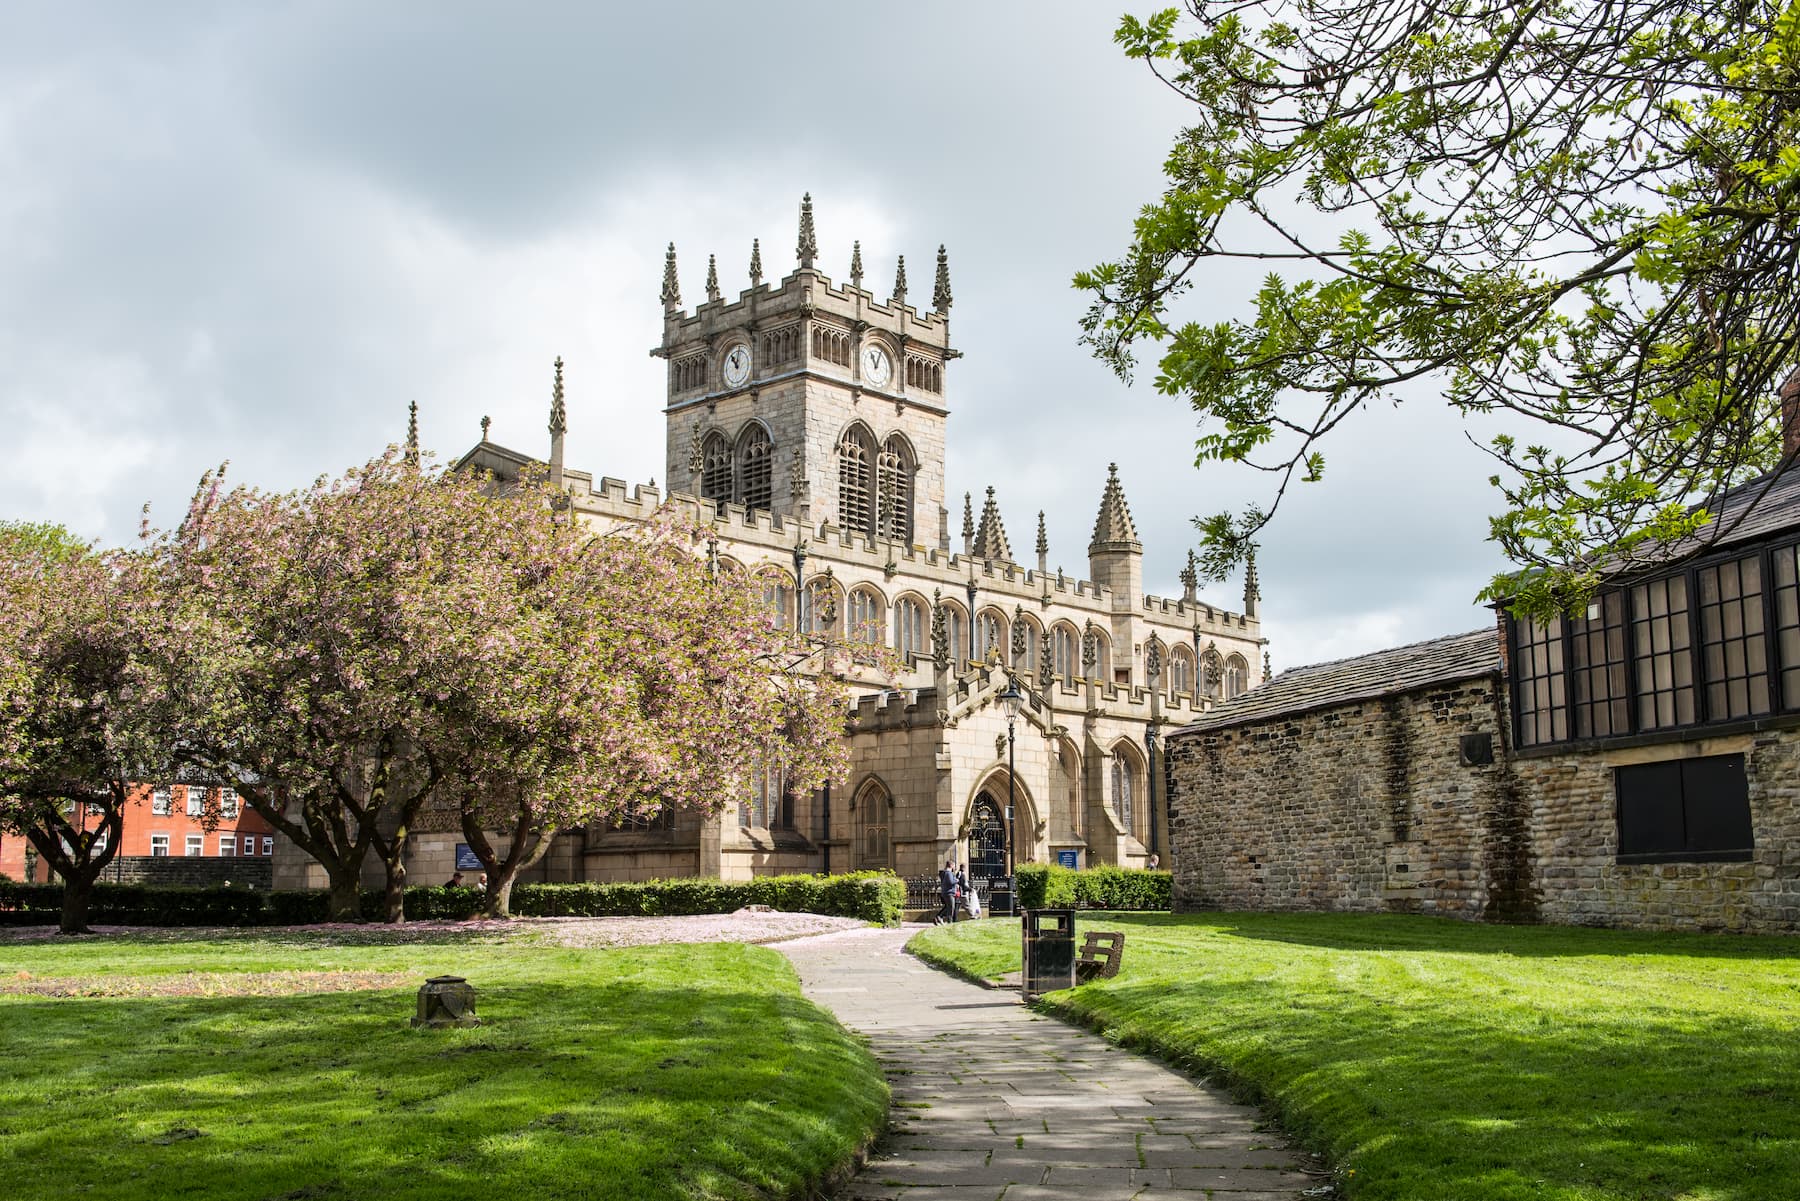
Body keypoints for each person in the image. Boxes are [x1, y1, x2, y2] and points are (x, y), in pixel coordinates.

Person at [937, 859, 958, 925]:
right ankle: (948, 921)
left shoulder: (946, 873)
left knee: (949, 907)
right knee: (951, 908)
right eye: (954, 865)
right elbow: (951, 882)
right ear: (951, 865)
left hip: (947, 892)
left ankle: (941, 917)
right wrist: (956, 880)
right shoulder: (948, 873)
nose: (954, 867)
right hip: (949, 893)